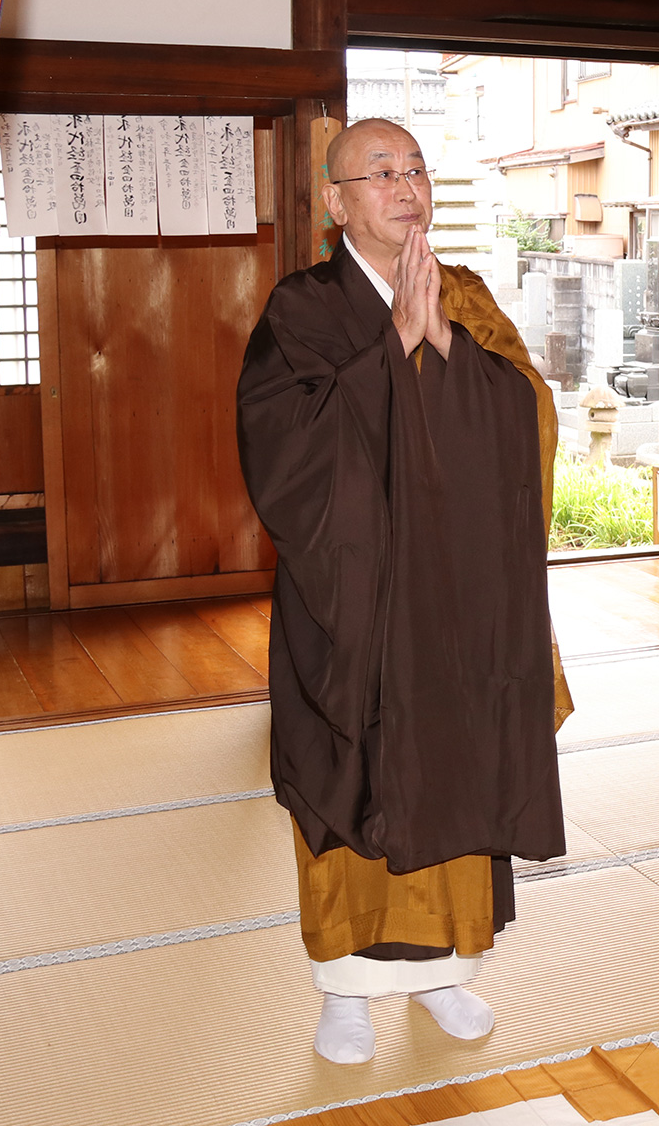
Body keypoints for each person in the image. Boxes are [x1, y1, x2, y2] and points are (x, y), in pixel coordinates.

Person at [237, 118, 568, 1065]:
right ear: (336, 202)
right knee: (350, 778)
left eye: (416, 168)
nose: (405, 184)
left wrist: (449, 354)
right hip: (353, 603)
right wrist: (394, 353)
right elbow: (283, 453)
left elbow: (528, 414)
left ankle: (445, 973)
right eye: (379, 172)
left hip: (456, 602)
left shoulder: (463, 294)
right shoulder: (300, 309)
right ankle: (344, 989)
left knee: (454, 768)